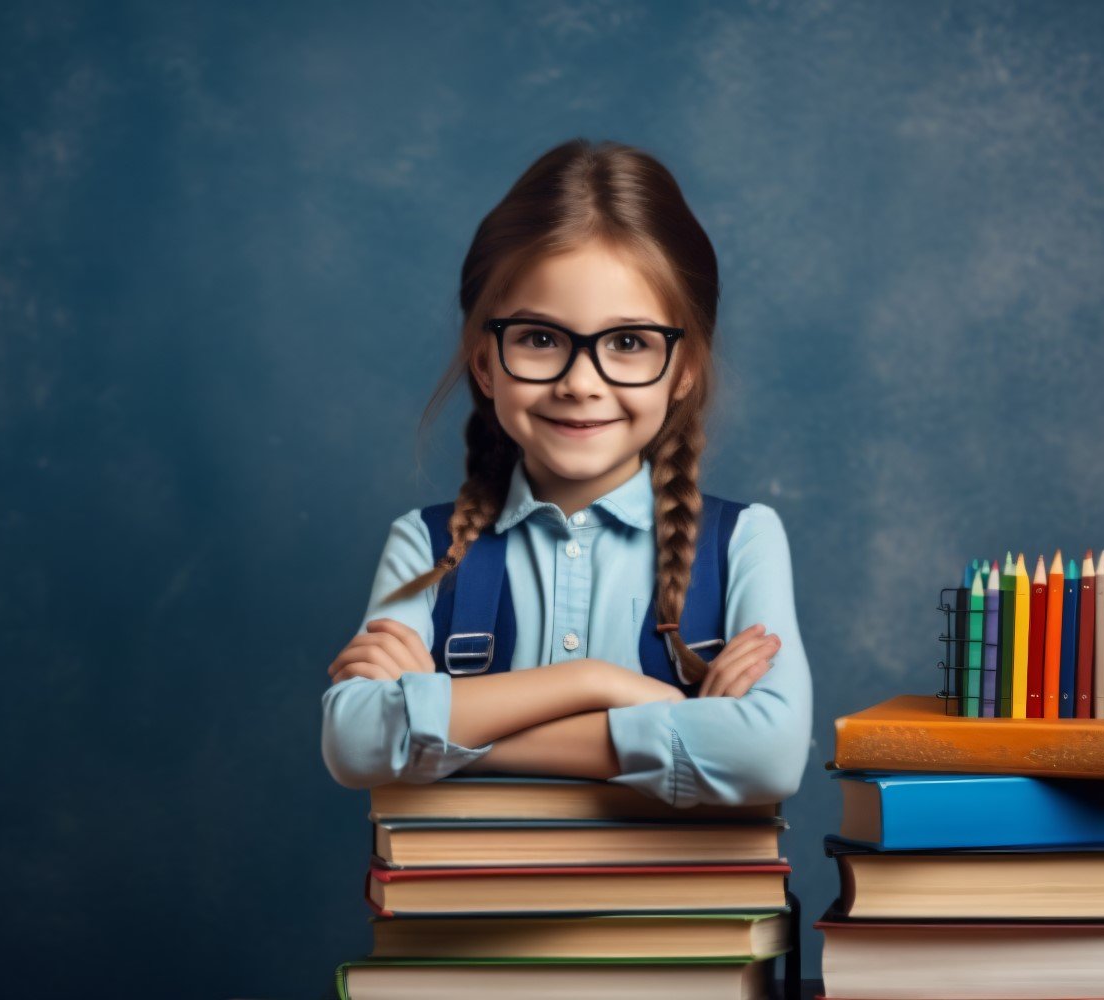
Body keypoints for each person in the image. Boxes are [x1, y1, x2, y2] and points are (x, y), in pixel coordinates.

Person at [320, 139, 813, 808]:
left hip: (687, 915)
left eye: (630, 343)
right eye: (540, 338)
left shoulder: (745, 541)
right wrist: (600, 685)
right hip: (466, 911)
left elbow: (767, 756)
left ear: (685, 365)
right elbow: (352, 741)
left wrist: (448, 728)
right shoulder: (424, 546)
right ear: (485, 361)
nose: (581, 384)